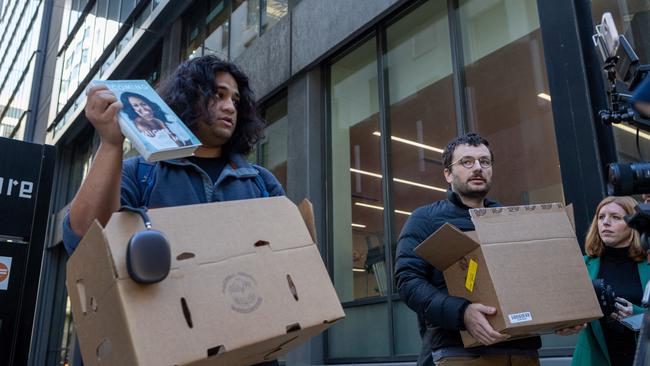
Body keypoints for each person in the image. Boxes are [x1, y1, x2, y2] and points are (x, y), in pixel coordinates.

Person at [63, 55, 284, 366]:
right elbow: (85, 240)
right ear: (187, 98)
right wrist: (111, 144)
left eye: (235, 99)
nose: (230, 107)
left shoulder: (261, 182)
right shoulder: (139, 173)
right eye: (218, 95)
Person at [394, 132, 582, 366]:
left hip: (522, 351)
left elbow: (537, 277)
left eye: (484, 161)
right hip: (461, 353)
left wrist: (565, 313)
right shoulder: (425, 220)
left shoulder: (511, 220)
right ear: (448, 174)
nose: (478, 168)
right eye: (467, 162)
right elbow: (407, 281)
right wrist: (462, 313)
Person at [572, 196, 650, 366]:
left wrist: (638, 315)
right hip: (595, 358)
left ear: (634, 223)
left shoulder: (648, 263)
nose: (605, 223)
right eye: (601, 217)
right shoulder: (581, 265)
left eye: (615, 217)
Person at [119, 91, 190, 147]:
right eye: (136, 106)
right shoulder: (140, 125)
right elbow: (175, 146)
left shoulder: (167, 117)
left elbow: (187, 140)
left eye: (143, 104)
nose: (143, 109)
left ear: (148, 103)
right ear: (132, 109)